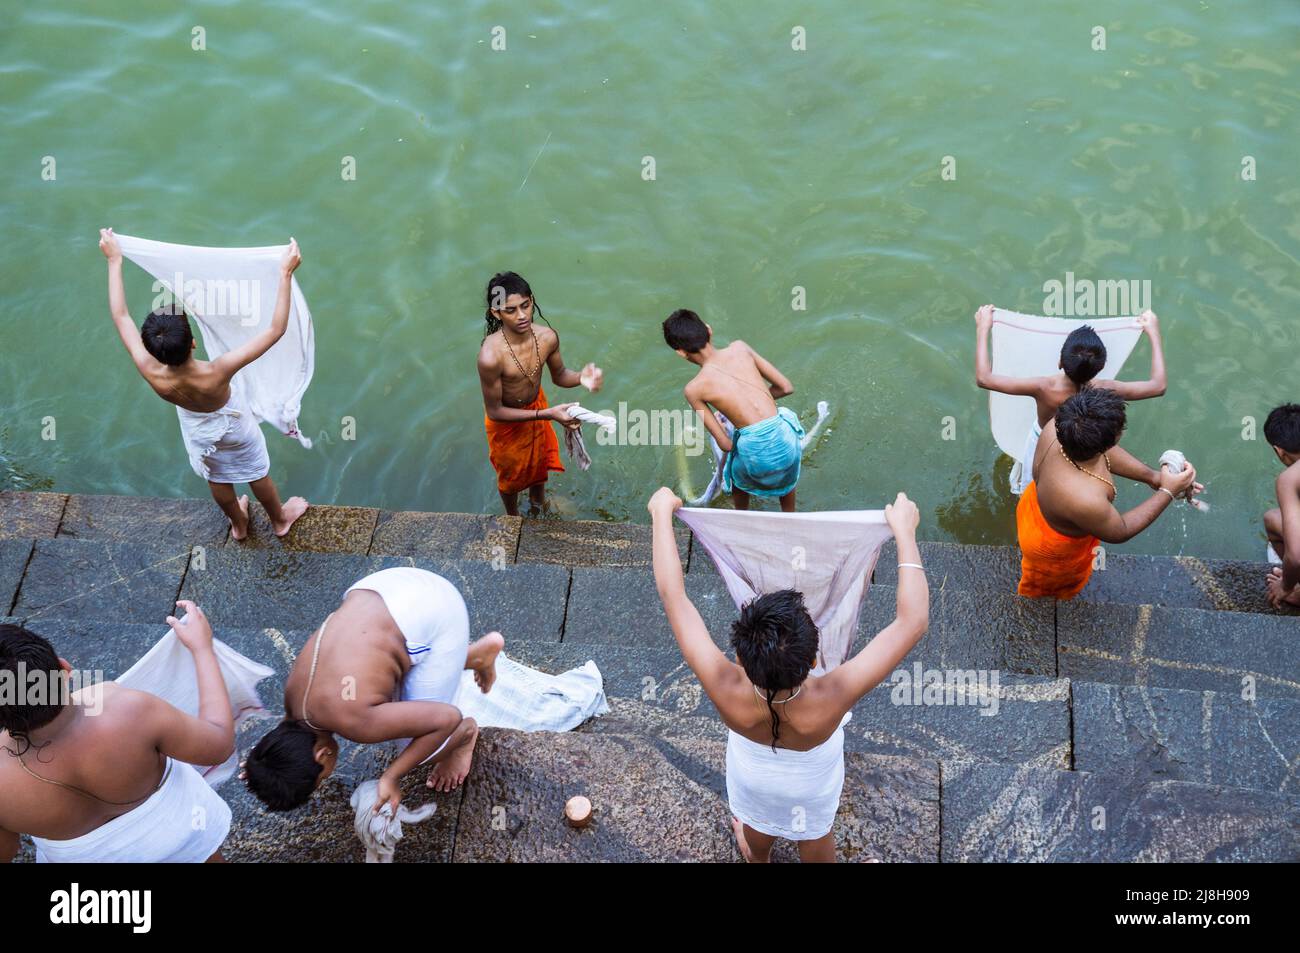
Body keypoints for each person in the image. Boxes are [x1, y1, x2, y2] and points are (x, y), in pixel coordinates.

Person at [648, 486, 928, 863]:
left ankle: (757, 856)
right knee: (815, 835)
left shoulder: (725, 685)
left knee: (757, 825)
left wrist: (660, 514)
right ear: (814, 662)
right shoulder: (834, 692)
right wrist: (905, 534)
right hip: (810, 789)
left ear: (739, 657)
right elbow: (912, 622)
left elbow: (673, 595)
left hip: (752, 780)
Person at [98, 227, 309, 540]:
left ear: (150, 348)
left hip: (198, 432)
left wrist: (114, 261)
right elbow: (275, 330)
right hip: (235, 427)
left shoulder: (149, 368)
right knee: (256, 472)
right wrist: (284, 274)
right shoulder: (219, 370)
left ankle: (238, 524)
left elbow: (120, 316)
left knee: (217, 477)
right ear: (194, 343)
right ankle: (279, 520)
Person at [242, 568, 503, 814]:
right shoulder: (293, 698)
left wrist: (392, 775)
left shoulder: (356, 722)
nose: (326, 778)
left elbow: (447, 718)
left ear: (322, 755)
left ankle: (466, 737)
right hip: (382, 587)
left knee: (416, 746)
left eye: (321, 779)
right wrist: (261, 767)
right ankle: (469, 657)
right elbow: (281, 745)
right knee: (381, 693)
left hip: (439, 609)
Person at [0, 606, 235, 863]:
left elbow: (5, 853)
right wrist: (202, 649)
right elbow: (219, 744)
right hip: (181, 836)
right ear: (64, 669)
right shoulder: (129, 708)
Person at [1017, 388, 1201, 599]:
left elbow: (1104, 452)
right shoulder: (1085, 500)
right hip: (1053, 549)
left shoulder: (1060, 426)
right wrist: (1168, 490)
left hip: (1035, 506)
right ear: (1113, 440)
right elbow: (1119, 531)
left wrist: (1154, 477)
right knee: (1049, 590)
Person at [974, 304, 1167, 494]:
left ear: (1060, 361)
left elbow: (984, 378)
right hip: (1082, 448)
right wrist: (1153, 331)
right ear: (1100, 367)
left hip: (1043, 445)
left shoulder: (1043, 387)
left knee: (1034, 491)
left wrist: (983, 328)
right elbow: (1158, 386)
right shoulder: (1105, 389)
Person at [476, 271, 603, 515]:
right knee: (510, 477)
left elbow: (560, 375)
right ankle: (512, 517)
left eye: (525, 305)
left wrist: (581, 377)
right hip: (506, 422)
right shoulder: (490, 356)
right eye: (511, 310)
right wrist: (548, 414)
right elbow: (495, 411)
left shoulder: (547, 337)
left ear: (532, 300)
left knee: (539, 462)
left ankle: (538, 503)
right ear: (496, 313)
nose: (522, 315)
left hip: (538, 406)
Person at [662, 309, 801, 511]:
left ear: (681, 353)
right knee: (785, 477)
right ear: (709, 330)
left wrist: (734, 415)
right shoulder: (740, 348)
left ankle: (741, 516)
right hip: (787, 441)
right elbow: (786, 387)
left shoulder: (694, 390)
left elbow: (726, 444)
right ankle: (790, 516)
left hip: (756, 454)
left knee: (735, 477)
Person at [1262, 404, 1300, 608]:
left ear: (1279, 451)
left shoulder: (1289, 479)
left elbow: (1296, 557)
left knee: (1272, 519)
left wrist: (1286, 586)